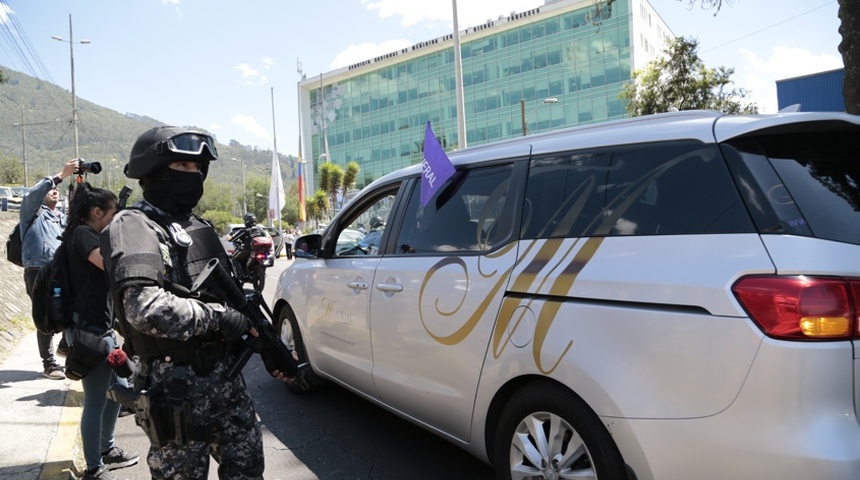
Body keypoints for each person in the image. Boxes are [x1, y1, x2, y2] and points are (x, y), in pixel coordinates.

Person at [100, 126, 290, 479]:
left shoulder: (198, 227)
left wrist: (263, 345)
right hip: (176, 386)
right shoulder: (134, 225)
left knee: (248, 471)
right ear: (155, 171)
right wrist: (220, 318)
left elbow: (229, 298)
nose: (194, 176)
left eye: (198, 169)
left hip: (226, 380)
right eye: (183, 167)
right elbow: (144, 308)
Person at [62, 182, 139, 480]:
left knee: (112, 394)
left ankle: (107, 450)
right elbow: (108, 265)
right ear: (96, 212)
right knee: (95, 400)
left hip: (101, 329)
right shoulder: (83, 235)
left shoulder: (88, 234)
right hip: (88, 331)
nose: (115, 218)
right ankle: (94, 467)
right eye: (112, 213)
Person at [19, 159, 78, 379]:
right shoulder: (31, 214)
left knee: (71, 306)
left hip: (60, 269)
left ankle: (64, 346)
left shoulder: (61, 218)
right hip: (38, 269)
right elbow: (32, 195)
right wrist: (60, 176)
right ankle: (49, 363)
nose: (55, 191)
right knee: (45, 314)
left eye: (56, 190)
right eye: (50, 189)